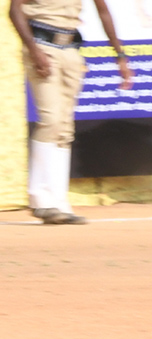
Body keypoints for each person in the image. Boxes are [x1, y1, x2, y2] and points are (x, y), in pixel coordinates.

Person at [9, 0, 135, 224]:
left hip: (71, 49)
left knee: (65, 128)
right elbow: (14, 10)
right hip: (42, 46)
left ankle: (59, 203)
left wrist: (120, 55)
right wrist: (33, 49)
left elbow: (103, 10)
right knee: (51, 120)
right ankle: (41, 201)